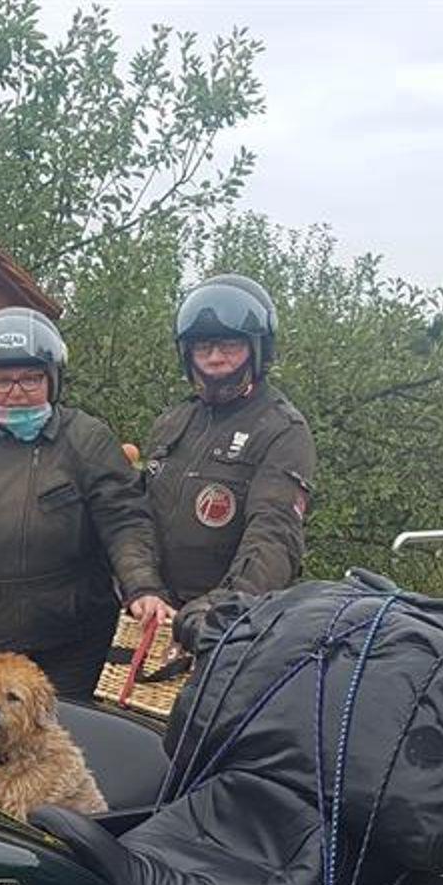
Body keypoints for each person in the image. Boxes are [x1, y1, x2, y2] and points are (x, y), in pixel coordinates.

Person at [0, 307, 173, 697]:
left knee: (72, 733)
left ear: (53, 379)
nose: (16, 391)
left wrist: (142, 586)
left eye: (31, 378)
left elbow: (124, 521)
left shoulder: (87, 440)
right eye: (1, 380)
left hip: (76, 644)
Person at [140, 274, 317, 643]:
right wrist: (141, 586)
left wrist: (221, 608)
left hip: (230, 624)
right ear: (187, 352)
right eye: (203, 346)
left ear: (257, 348)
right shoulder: (172, 423)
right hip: (155, 616)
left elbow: (274, 536)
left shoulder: (282, 429)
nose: (215, 358)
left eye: (230, 345)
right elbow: (137, 517)